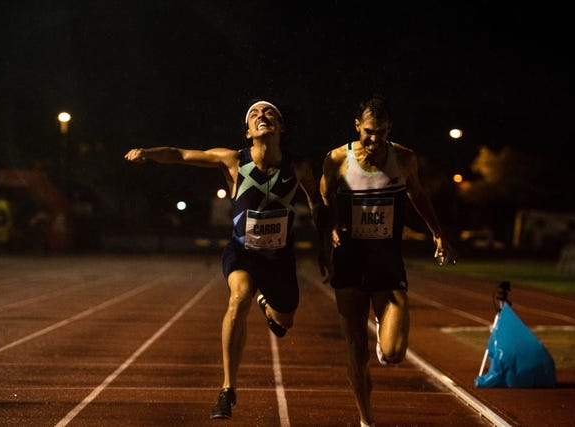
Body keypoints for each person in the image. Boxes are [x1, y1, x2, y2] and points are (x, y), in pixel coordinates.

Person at [124, 99, 329, 419]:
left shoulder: (299, 166)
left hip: (279, 258)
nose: (262, 116)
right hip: (242, 252)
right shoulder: (232, 161)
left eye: (269, 113)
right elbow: (180, 154)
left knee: (284, 321)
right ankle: (227, 389)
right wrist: (148, 153)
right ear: (247, 132)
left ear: (281, 127)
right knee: (238, 297)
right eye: (254, 115)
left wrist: (326, 245)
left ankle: (266, 302)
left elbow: (316, 201)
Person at [319, 94, 456, 427]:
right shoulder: (337, 159)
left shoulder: (404, 159)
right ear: (357, 127)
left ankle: (385, 331)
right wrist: (331, 225)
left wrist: (438, 232)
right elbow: (323, 197)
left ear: (389, 128)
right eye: (368, 131)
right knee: (356, 351)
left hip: (387, 264)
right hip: (350, 261)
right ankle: (367, 421)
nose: (374, 139)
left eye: (380, 131)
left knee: (393, 353)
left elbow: (419, 196)